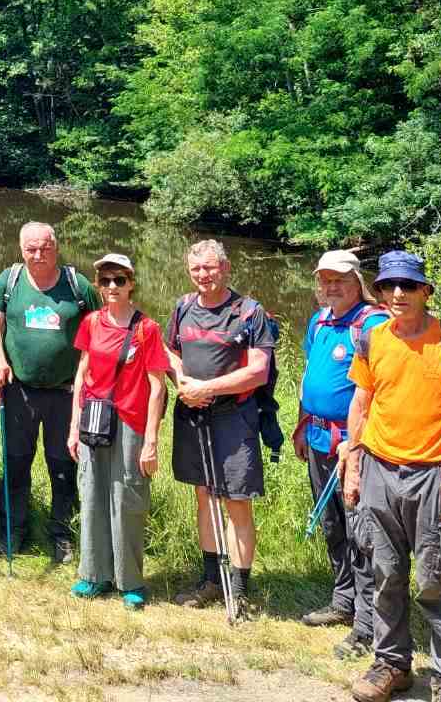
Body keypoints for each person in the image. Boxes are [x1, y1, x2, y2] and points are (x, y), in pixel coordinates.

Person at [344, 252, 441, 702]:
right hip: (380, 471)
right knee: (384, 573)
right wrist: (353, 463)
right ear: (379, 292)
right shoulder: (373, 339)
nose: (398, 294)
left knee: (438, 580)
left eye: (408, 285)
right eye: (388, 285)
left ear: (426, 291)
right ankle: (391, 665)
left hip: (438, 476)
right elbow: (361, 403)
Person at [165, 238, 275, 613]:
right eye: (196, 268)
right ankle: (211, 580)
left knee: (236, 501)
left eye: (210, 267)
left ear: (225, 268)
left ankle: (239, 590)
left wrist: (207, 388)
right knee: (204, 496)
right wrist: (182, 382)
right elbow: (170, 352)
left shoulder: (249, 312)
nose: (203, 275)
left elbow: (258, 371)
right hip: (193, 414)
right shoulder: (183, 307)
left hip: (233, 417)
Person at [0, 221, 98, 564]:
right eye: (31, 249)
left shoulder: (77, 285)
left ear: (56, 247)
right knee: (16, 462)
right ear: (21, 250)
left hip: (65, 393)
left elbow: (100, 331)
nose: (38, 255)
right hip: (19, 390)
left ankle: (61, 533)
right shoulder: (9, 281)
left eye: (45, 248)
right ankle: (13, 530)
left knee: (63, 464)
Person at [296, 250, 387, 654]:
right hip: (318, 438)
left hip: (355, 445)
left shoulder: (372, 324)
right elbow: (309, 377)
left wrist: (359, 442)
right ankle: (343, 600)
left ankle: (369, 623)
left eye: (340, 280)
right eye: (325, 280)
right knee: (333, 526)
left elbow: (381, 391)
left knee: (361, 532)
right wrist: (301, 423)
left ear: (357, 282)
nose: (331, 287)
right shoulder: (320, 321)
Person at [67, 254, 166, 609]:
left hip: (131, 423)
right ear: (98, 285)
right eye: (106, 280)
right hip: (94, 418)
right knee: (92, 494)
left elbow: (158, 387)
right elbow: (82, 374)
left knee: (127, 499)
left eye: (119, 280)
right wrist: (73, 426)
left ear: (131, 284)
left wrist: (151, 441)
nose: (112, 286)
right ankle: (93, 575)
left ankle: (130, 581)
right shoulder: (91, 322)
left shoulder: (147, 329)